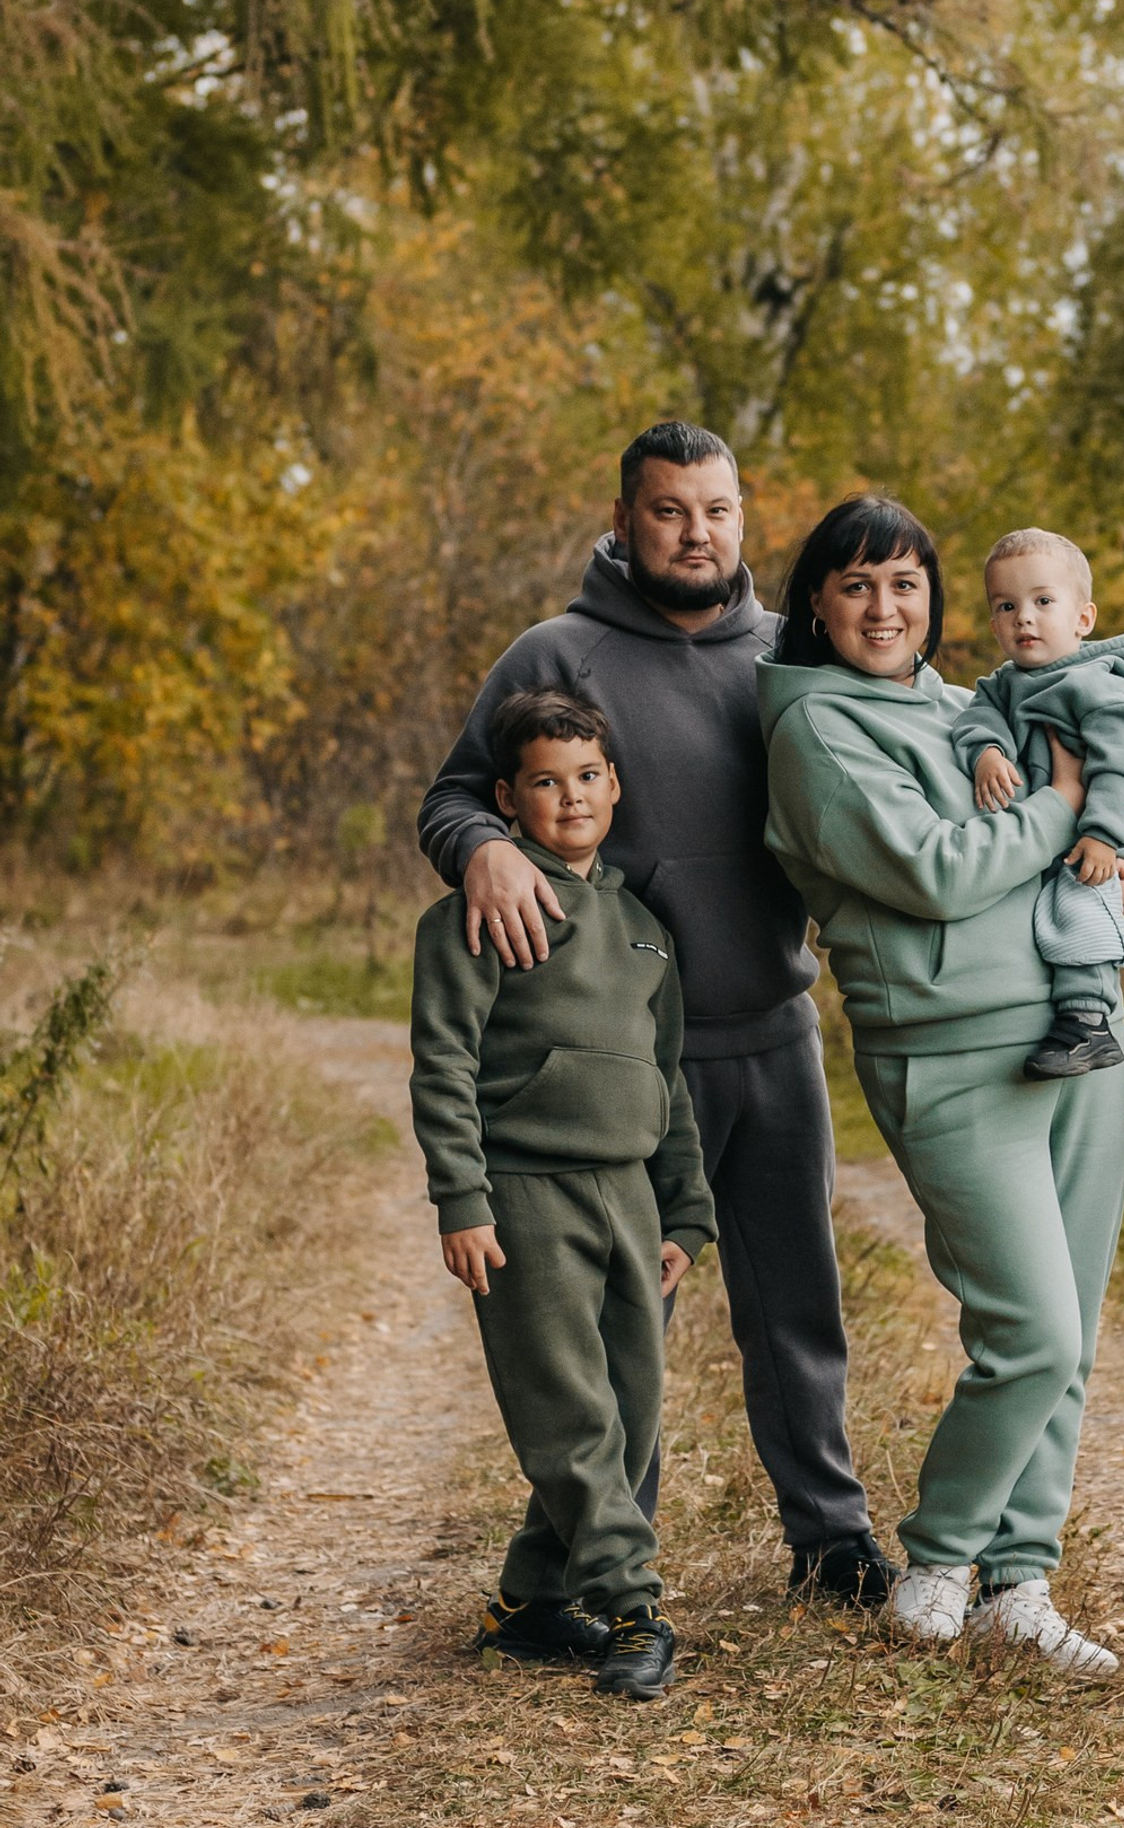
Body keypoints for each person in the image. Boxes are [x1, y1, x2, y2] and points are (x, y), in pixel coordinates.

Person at [418, 422, 891, 1606]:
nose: (697, 533)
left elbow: (916, 739)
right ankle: (586, 1568)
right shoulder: (559, 651)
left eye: (718, 511)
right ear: (626, 519)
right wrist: (479, 845)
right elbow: (454, 795)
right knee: (609, 1335)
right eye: (671, 511)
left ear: (747, 517)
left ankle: (830, 1541)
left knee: (797, 1308)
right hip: (629, 1056)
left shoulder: (794, 652)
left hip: (774, 1030)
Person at [756, 496, 1124, 1679]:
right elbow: (935, 873)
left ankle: (1017, 1587)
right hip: (948, 1049)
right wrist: (1060, 802)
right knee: (1026, 1329)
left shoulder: (966, 701)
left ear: (932, 600)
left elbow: (1110, 811)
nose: (885, 608)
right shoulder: (814, 731)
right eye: (856, 586)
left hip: (1078, 1039)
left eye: (905, 584)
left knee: (1071, 1333)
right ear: (817, 605)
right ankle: (940, 1555)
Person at [410, 689, 716, 1699]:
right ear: (507, 797)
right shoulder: (481, 911)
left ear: (616, 786)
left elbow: (665, 1078)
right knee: (569, 1412)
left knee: (629, 1415)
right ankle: (632, 1607)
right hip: (526, 1192)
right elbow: (444, 1064)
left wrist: (685, 1211)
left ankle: (536, 1602)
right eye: (546, 781)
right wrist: (463, 1198)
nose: (571, 798)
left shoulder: (641, 927)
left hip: (628, 1194)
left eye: (588, 777)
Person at [951, 528, 1124, 1080]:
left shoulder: (1101, 685)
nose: (1025, 617)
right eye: (1007, 606)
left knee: (1082, 904)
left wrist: (1101, 834)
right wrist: (988, 751)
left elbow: (1117, 766)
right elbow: (976, 719)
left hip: (1101, 838)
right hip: (1046, 836)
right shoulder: (1002, 685)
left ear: (1082, 618)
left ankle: (1087, 1021)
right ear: (993, 623)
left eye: (1043, 601)